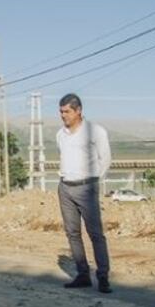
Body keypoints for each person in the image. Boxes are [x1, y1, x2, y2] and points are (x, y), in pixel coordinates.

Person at [56, 93, 112, 293]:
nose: (63, 115)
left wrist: (93, 181)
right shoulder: (60, 134)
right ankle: (82, 274)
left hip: (87, 187)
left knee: (95, 233)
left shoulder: (95, 131)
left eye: (67, 111)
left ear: (78, 110)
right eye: (61, 112)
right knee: (72, 233)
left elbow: (105, 159)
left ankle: (103, 276)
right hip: (65, 187)